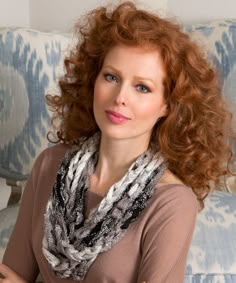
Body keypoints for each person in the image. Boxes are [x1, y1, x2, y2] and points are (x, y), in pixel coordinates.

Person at [0, 1, 235, 283]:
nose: (120, 97)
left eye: (142, 87)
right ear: (93, 81)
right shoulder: (49, 165)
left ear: (167, 106)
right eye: (111, 77)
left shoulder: (171, 202)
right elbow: (12, 275)